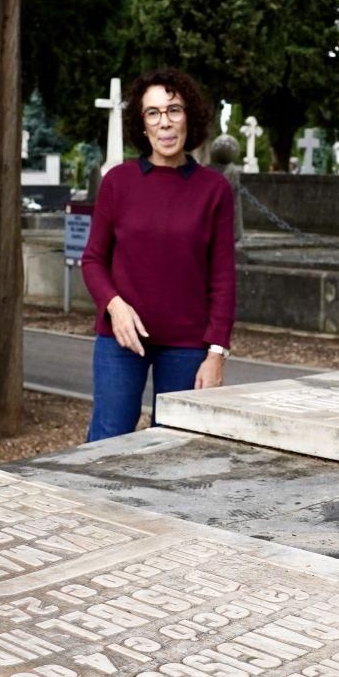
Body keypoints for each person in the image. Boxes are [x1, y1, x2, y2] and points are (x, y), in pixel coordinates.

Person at [80, 67, 236, 441]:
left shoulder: (213, 189)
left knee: (173, 448)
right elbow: (93, 260)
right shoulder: (118, 181)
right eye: (153, 113)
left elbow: (223, 276)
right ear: (143, 124)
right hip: (121, 339)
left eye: (173, 110)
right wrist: (114, 306)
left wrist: (217, 353)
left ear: (189, 117)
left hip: (187, 344)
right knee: (106, 441)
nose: (164, 123)